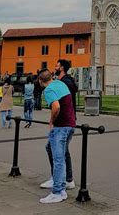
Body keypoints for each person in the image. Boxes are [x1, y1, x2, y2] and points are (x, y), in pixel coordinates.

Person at [38, 68, 75, 204]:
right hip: (70, 124)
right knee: (51, 149)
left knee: (58, 158)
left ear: (40, 81)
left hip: (61, 127)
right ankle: (59, 179)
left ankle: (58, 191)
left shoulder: (47, 90)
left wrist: (52, 121)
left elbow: (56, 106)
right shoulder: (60, 83)